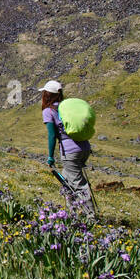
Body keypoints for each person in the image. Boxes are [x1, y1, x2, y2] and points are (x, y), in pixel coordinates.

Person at [39, 79, 94, 216]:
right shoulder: (66, 108)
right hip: (84, 147)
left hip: (70, 151)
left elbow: (52, 135)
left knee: (78, 184)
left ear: (47, 95)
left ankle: (91, 216)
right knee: (66, 180)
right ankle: (72, 214)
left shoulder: (48, 111)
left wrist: (51, 156)